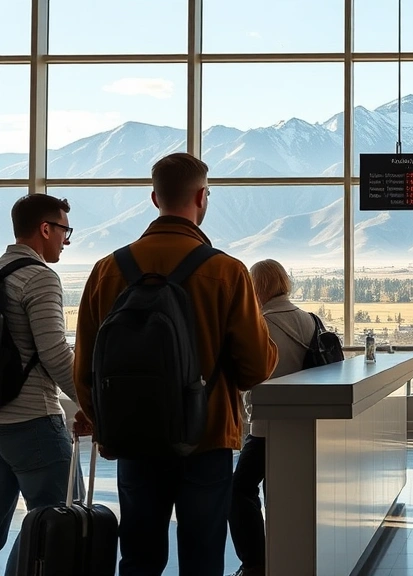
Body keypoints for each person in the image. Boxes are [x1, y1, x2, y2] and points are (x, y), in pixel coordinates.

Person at [73, 152, 279, 576]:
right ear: (203, 197)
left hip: (133, 438)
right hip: (205, 438)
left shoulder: (106, 270)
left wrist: (108, 425)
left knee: (139, 557)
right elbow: (256, 367)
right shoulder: (227, 272)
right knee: (202, 557)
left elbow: (85, 369)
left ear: (154, 199)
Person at [0, 194, 86, 576]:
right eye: (65, 231)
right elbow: (54, 353)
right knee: (61, 522)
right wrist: (92, 403)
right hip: (33, 422)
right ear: (45, 228)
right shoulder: (39, 277)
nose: (66, 241)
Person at [229, 259, 315, 576]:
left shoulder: (257, 325)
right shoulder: (309, 320)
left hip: (266, 427)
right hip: (303, 424)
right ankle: (286, 552)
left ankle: (255, 562)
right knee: (280, 490)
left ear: (257, 287)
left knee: (239, 489)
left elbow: (246, 377)